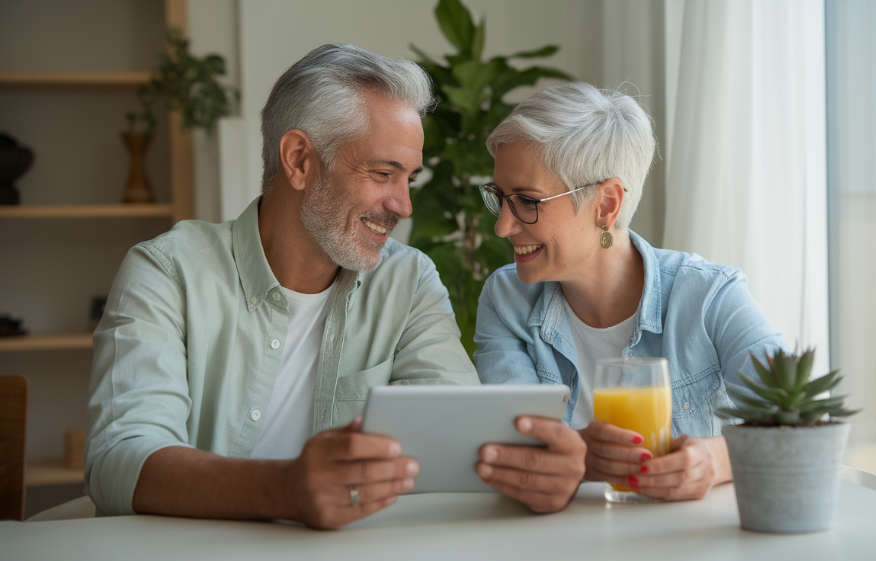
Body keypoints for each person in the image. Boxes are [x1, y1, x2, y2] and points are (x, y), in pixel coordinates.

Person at [86, 44, 584, 530]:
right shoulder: (167, 272)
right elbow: (119, 460)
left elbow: (456, 448)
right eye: (382, 173)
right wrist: (283, 489)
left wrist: (549, 469)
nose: (403, 206)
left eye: (409, 178)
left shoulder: (407, 282)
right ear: (300, 160)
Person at [474, 82, 785, 501]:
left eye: (528, 201)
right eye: (500, 198)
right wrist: (581, 453)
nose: (502, 227)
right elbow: (514, 448)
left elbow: (799, 418)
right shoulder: (506, 300)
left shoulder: (710, 295)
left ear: (606, 205)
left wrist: (716, 462)